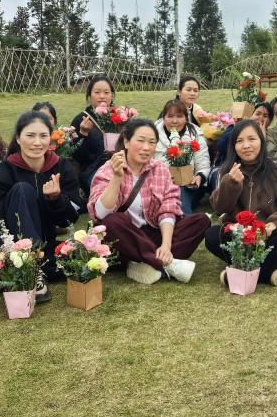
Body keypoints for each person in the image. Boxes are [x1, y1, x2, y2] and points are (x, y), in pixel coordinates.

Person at [89, 119, 210, 285]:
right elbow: (100, 214)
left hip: (152, 232)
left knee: (201, 220)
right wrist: (117, 177)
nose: (146, 147)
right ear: (126, 141)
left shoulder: (160, 169)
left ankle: (144, 261)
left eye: (152, 142)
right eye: (140, 140)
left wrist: (166, 246)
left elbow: (168, 208)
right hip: (124, 237)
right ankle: (168, 265)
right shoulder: (108, 169)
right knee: (112, 221)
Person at [0, 111, 81, 302]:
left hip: (46, 246)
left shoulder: (61, 167)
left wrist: (56, 199)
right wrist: (11, 254)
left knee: (83, 256)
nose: (37, 142)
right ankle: (31, 269)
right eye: (30, 135)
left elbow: (69, 219)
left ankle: (33, 268)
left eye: (43, 136)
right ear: (18, 138)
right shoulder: (3, 173)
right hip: (14, 249)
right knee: (22, 190)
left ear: (50, 138)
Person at [207, 120, 277, 287]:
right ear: (233, 146)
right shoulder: (226, 171)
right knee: (212, 235)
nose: (246, 146)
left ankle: (240, 274)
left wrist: (274, 222)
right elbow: (220, 208)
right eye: (239, 141)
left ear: (261, 140)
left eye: (252, 139)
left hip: (269, 237)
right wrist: (231, 184)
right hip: (239, 238)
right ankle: (267, 273)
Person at [154, 99, 211, 215]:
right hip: (159, 185)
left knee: (180, 199)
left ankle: (184, 222)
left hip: (187, 186)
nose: (175, 121)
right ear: (163, 117)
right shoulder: (153, 135)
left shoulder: (195, 134)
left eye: (179, 116)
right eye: (170, 116)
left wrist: (199, 176)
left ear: (186, 118)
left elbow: (203, 163)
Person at [69, 74, 116, 196]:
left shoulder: (119, 117)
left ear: (112, 95)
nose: (102, 96)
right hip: (92, 171)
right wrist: (83, 134)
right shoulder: (81, 119)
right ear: (89, 95)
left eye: (106, 92)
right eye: (97, 92)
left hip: (118, 165)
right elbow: (76, 157)